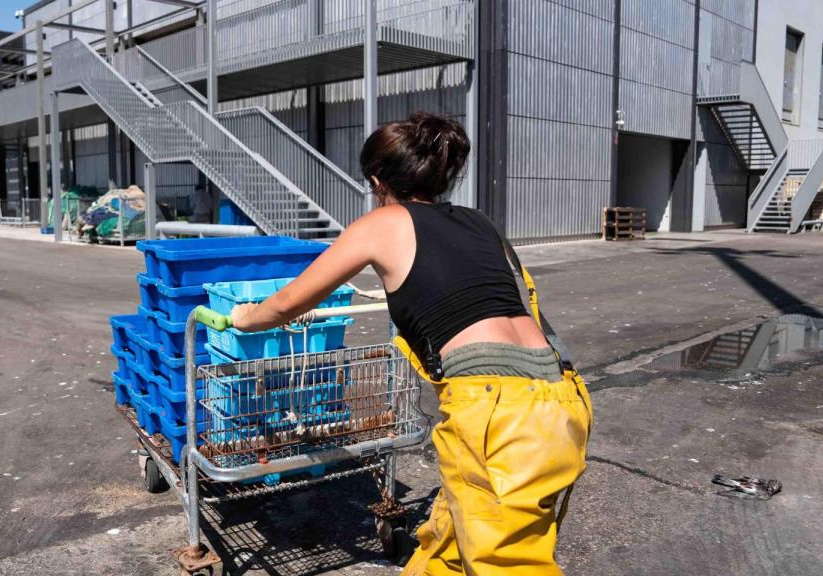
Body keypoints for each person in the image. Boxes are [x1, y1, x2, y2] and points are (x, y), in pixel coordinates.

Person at [230, 111, 592, 575]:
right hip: (562, 398)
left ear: (378, 181)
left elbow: (284, 305)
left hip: (498, 413)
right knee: (448, 539)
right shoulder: (482, 224)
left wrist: (244, 318)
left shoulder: (381, 224)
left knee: (506, 564)